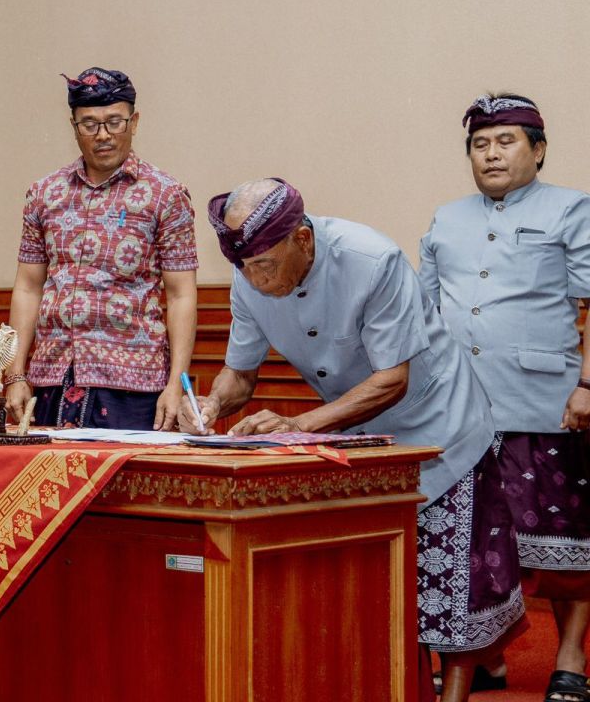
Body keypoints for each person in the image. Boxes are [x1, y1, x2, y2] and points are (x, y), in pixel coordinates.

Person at [180, 178, 526, 702]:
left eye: (265, 265)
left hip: (439, 423)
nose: (255, 278)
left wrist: (299, 426)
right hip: (358, 430)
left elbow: (392, 379)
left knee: (449, 580)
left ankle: (457, 690)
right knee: (382, 578)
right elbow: (240, 374)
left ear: (302, 239)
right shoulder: (248, 276)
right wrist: (211, 405)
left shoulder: (371, 261)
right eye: (245, 267)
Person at [420, 94, 590, 702]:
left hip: (542, 401)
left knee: (564, 542)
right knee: (470, 543)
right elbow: (424, 310)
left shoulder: (572, 209)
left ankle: (570, 657)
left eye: (506, 141)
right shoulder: (445, 217)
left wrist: (588, 384)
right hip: (457, 412)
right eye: (479, 144)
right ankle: (483, 655)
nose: (490, 154)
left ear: (538, 151)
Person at [4, 67, 198, 431]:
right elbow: (28, 287)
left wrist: (176, 384)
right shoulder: (44, 194)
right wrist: (15, 373)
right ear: (74, 126)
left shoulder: (166, 195)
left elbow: (181, 295)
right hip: (51, 376)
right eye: (89, 124)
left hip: (135, 384)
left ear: (134, 121)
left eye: (114, 122)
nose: (103, 135)